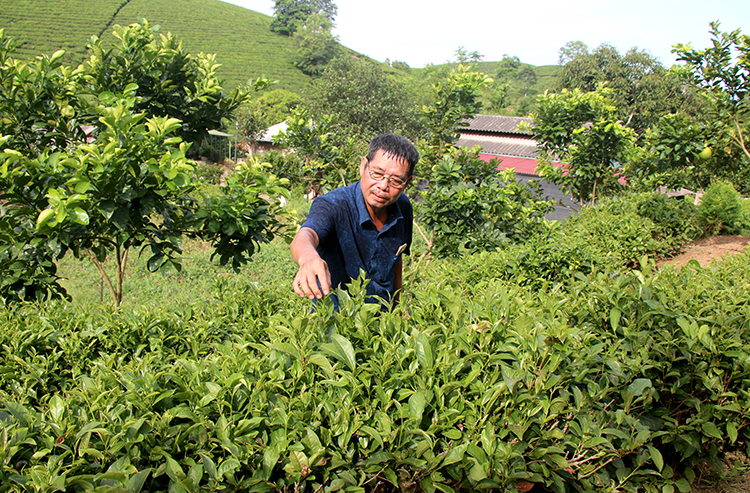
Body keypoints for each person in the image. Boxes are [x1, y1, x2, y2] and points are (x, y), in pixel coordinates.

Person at [290, 133, 419, 310]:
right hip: (338, 322)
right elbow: (307, 234)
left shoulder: (403, 207)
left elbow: (396, 261)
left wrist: (398, 308)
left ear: (407, 182)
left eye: (396, 181)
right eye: (377, 173)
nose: (383, 186)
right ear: (363, 166)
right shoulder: (333, 205)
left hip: (382, 321)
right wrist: (308, 258)